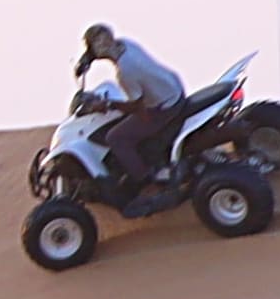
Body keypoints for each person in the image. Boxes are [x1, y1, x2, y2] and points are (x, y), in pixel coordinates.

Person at [68, 21, 190, 186]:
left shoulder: (125, 72)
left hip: (166, 107)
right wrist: (86, 62)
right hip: (174, 88)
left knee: (116, 137)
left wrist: (108, 105)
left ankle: (146, 178)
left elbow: (139, 110)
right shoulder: (126, 44)